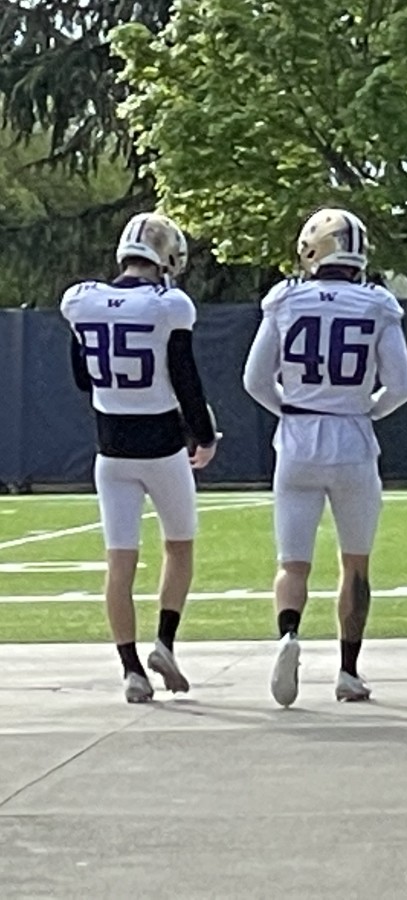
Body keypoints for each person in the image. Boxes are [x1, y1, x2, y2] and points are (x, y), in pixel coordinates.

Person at [243, 207, 407, 707]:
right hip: (353, 440)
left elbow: (254, 380)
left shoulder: (286, 300)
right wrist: (364, 412)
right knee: (355, 563)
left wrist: (293, 408)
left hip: (296, 440)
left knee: (292, 563)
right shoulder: (376, 304)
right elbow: (401, 387)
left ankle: (289, 635)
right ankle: (348, 670)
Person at [61, 212, 217, 703]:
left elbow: (84, 379)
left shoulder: (83, 301)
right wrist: (205, 435)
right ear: (166, 256)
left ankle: (131, 670)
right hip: (163, 447)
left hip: (111, 449)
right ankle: (164, 643)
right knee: (179, 547)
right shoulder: (168, 305)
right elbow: (185, 379)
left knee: (120, 563)